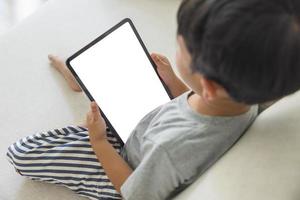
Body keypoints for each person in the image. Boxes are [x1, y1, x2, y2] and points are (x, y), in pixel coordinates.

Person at [7, 0, 300, 199]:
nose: (177, 46)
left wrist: (98, 142)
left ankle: (81, 85)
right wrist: (173, 80)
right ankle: (82, 80)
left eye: (181, 47)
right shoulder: (246, 101)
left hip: (127, 167)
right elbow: (199, 106)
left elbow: (132, 191)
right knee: (118, 89)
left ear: (208, 84)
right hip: (152, 127)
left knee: (23, 152)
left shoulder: (169, 149)